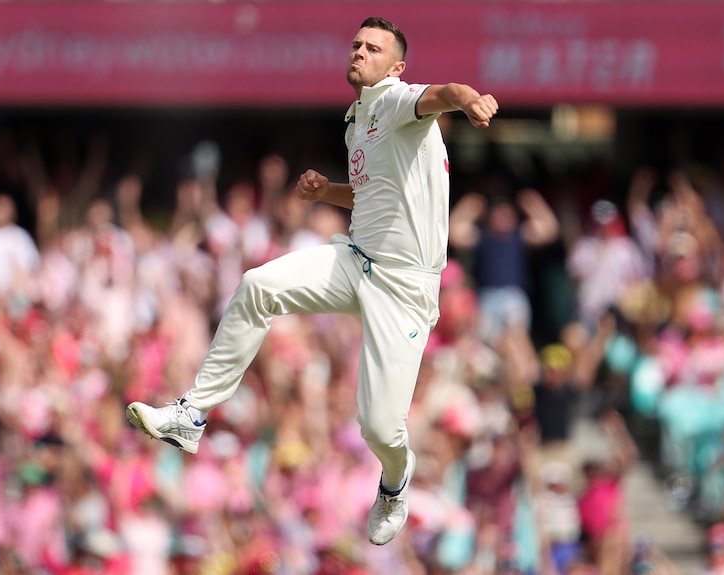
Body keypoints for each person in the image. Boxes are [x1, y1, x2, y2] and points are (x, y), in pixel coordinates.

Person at [125, 16, 498, 547]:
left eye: (373, 48)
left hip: (405, 287)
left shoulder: (395, 98)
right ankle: (192, 414)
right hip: (355, 260)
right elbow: (373, 192)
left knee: (378, 428)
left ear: (395, 66)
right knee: (258, 284)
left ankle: (395, 482)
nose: (359, 53)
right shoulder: (356, 119)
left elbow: (442, 93)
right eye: (355, 45)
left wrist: (470, 98)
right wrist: (328, 193)